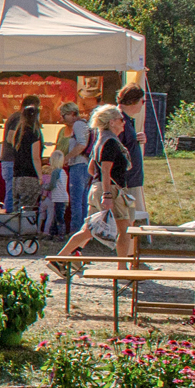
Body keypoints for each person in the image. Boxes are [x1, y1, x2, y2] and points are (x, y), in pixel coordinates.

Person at [55, 104, 134, 268]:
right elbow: (105, 169)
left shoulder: (100, 140)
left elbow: (92, 168)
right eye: (121, 119)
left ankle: (60, 257)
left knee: (88, 230)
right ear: (112, 122)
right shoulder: (111, 142)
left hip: (96, 188)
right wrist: (108, 194)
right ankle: (122, 268)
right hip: (110, 189)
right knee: (125, 230)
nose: (123, 123)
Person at [117, 84, 149, 224]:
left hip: (131, 179)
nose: (143, 105)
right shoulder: (118, 120)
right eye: (143, 101)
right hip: (125, 180)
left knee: (130, 219)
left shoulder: (127, 120)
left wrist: (137, 138)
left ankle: (129, 244)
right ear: (133, 101)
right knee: (126, 221)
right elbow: (114, 147)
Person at [60, 102, 91, 227]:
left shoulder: (78, 125)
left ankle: (76, 229)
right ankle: (83, 229)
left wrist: (67, 158)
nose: (62, 119)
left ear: (72, 114)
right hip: (84, 166)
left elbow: (82, 144)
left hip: (79, 165)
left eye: (63, 116)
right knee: (83, 200)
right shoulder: (84, 124)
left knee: (76, 200)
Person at [40, 150, 69, 238]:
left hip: (58, 198)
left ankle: (60, 235)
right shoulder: (63, 172)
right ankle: (54, 233)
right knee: (58, 216)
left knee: (58, 217)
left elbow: (52, 185)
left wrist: (43, 186)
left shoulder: (55, 172)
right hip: (63, 197)